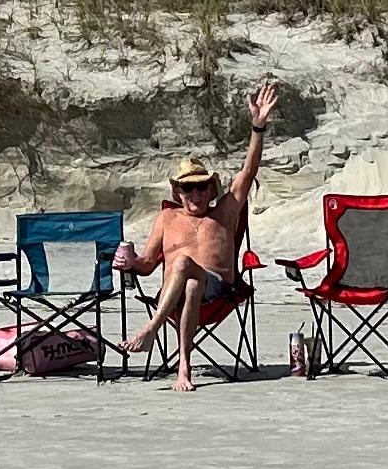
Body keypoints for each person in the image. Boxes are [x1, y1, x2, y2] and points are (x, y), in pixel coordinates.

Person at [117, 80, 281, 390]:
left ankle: (151, 330)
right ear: (178, 193)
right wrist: (129, 263)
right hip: (178, 294)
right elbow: (148, 263)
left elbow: (248, 172)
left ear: (211, 189)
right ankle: (185, 369)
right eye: (188, 188)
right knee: (189, 280)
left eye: (202, 186)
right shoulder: (167, 217)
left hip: (219, 291)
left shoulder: (224, 211)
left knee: (183, 266)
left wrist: (258, 126)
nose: (196, 193)